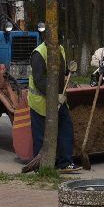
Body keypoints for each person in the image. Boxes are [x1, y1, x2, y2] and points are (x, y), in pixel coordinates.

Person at [27, 29, 79, 172]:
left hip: (58, 99)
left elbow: (60, 70)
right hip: (40, 101)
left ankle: (65, 162)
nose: (59, 44)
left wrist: (69, 70)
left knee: (65, 128)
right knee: (40, 134)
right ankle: (40, 165)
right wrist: (54, 96)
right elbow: (39, 80)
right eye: (57, 42)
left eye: (60, 42)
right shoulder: (39, 54)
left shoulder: (60, 49)